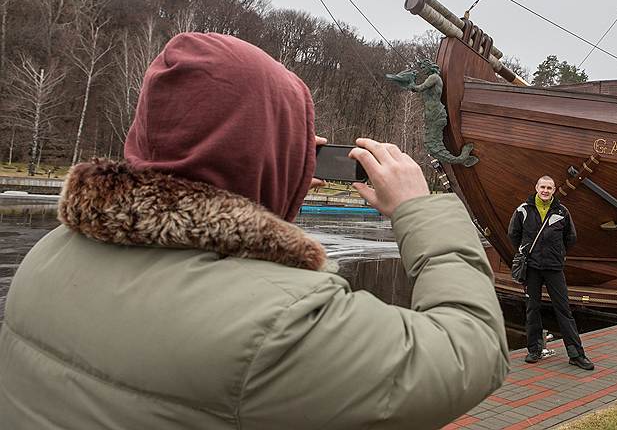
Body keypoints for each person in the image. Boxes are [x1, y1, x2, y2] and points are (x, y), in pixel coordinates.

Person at [0, 33, 509, 429]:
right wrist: (419, 210)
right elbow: (473, 347)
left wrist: (273, 161)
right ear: (256, 155)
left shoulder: (50, 256)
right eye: (290, 142)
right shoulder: (279, 324)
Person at [508, 175, 594, 371]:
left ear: (554, 190)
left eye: (549, 187)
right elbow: (513, 234)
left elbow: (570, 237)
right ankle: (534, 349)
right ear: (536, 188)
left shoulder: (562, 211)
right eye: (542, 187)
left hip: (554, 268)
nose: (545, 190)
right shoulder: (523, 210)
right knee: (532, 308)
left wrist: (558, 253)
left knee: (564, 309)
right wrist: (526, 250)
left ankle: (576, 354)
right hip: (532, 268)